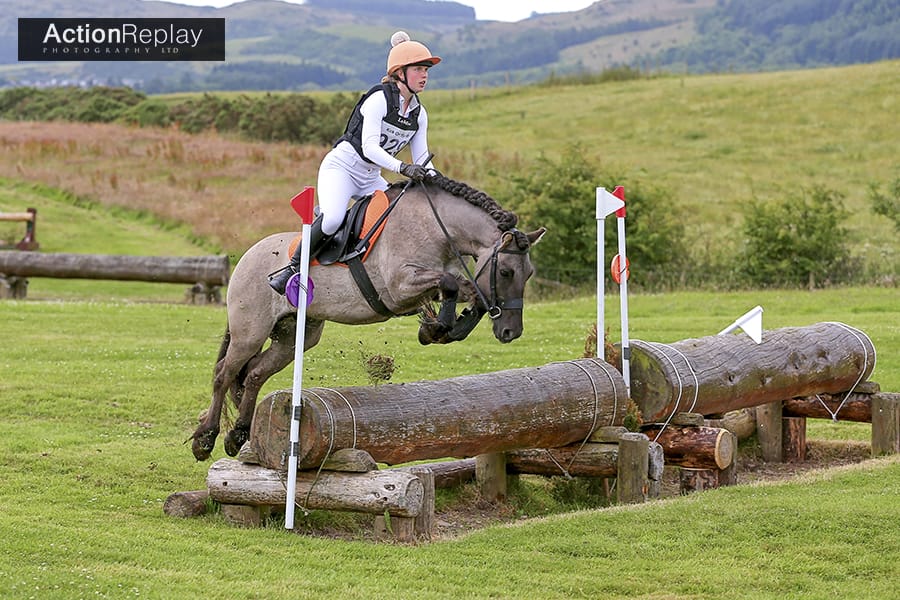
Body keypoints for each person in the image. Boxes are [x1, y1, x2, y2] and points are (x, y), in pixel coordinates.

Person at [269, 31, 441, 294]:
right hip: (342, 168)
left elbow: (422, 158)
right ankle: (292, 268)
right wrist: (403, 168)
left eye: (426, 70)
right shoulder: (379, 99)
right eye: (418, 69)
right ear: (400, 73)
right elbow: (370, 148)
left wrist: (441, 185)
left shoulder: (419, 113)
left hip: (371, 177)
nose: (424, 75)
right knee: (332, 220)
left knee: (400, 215)